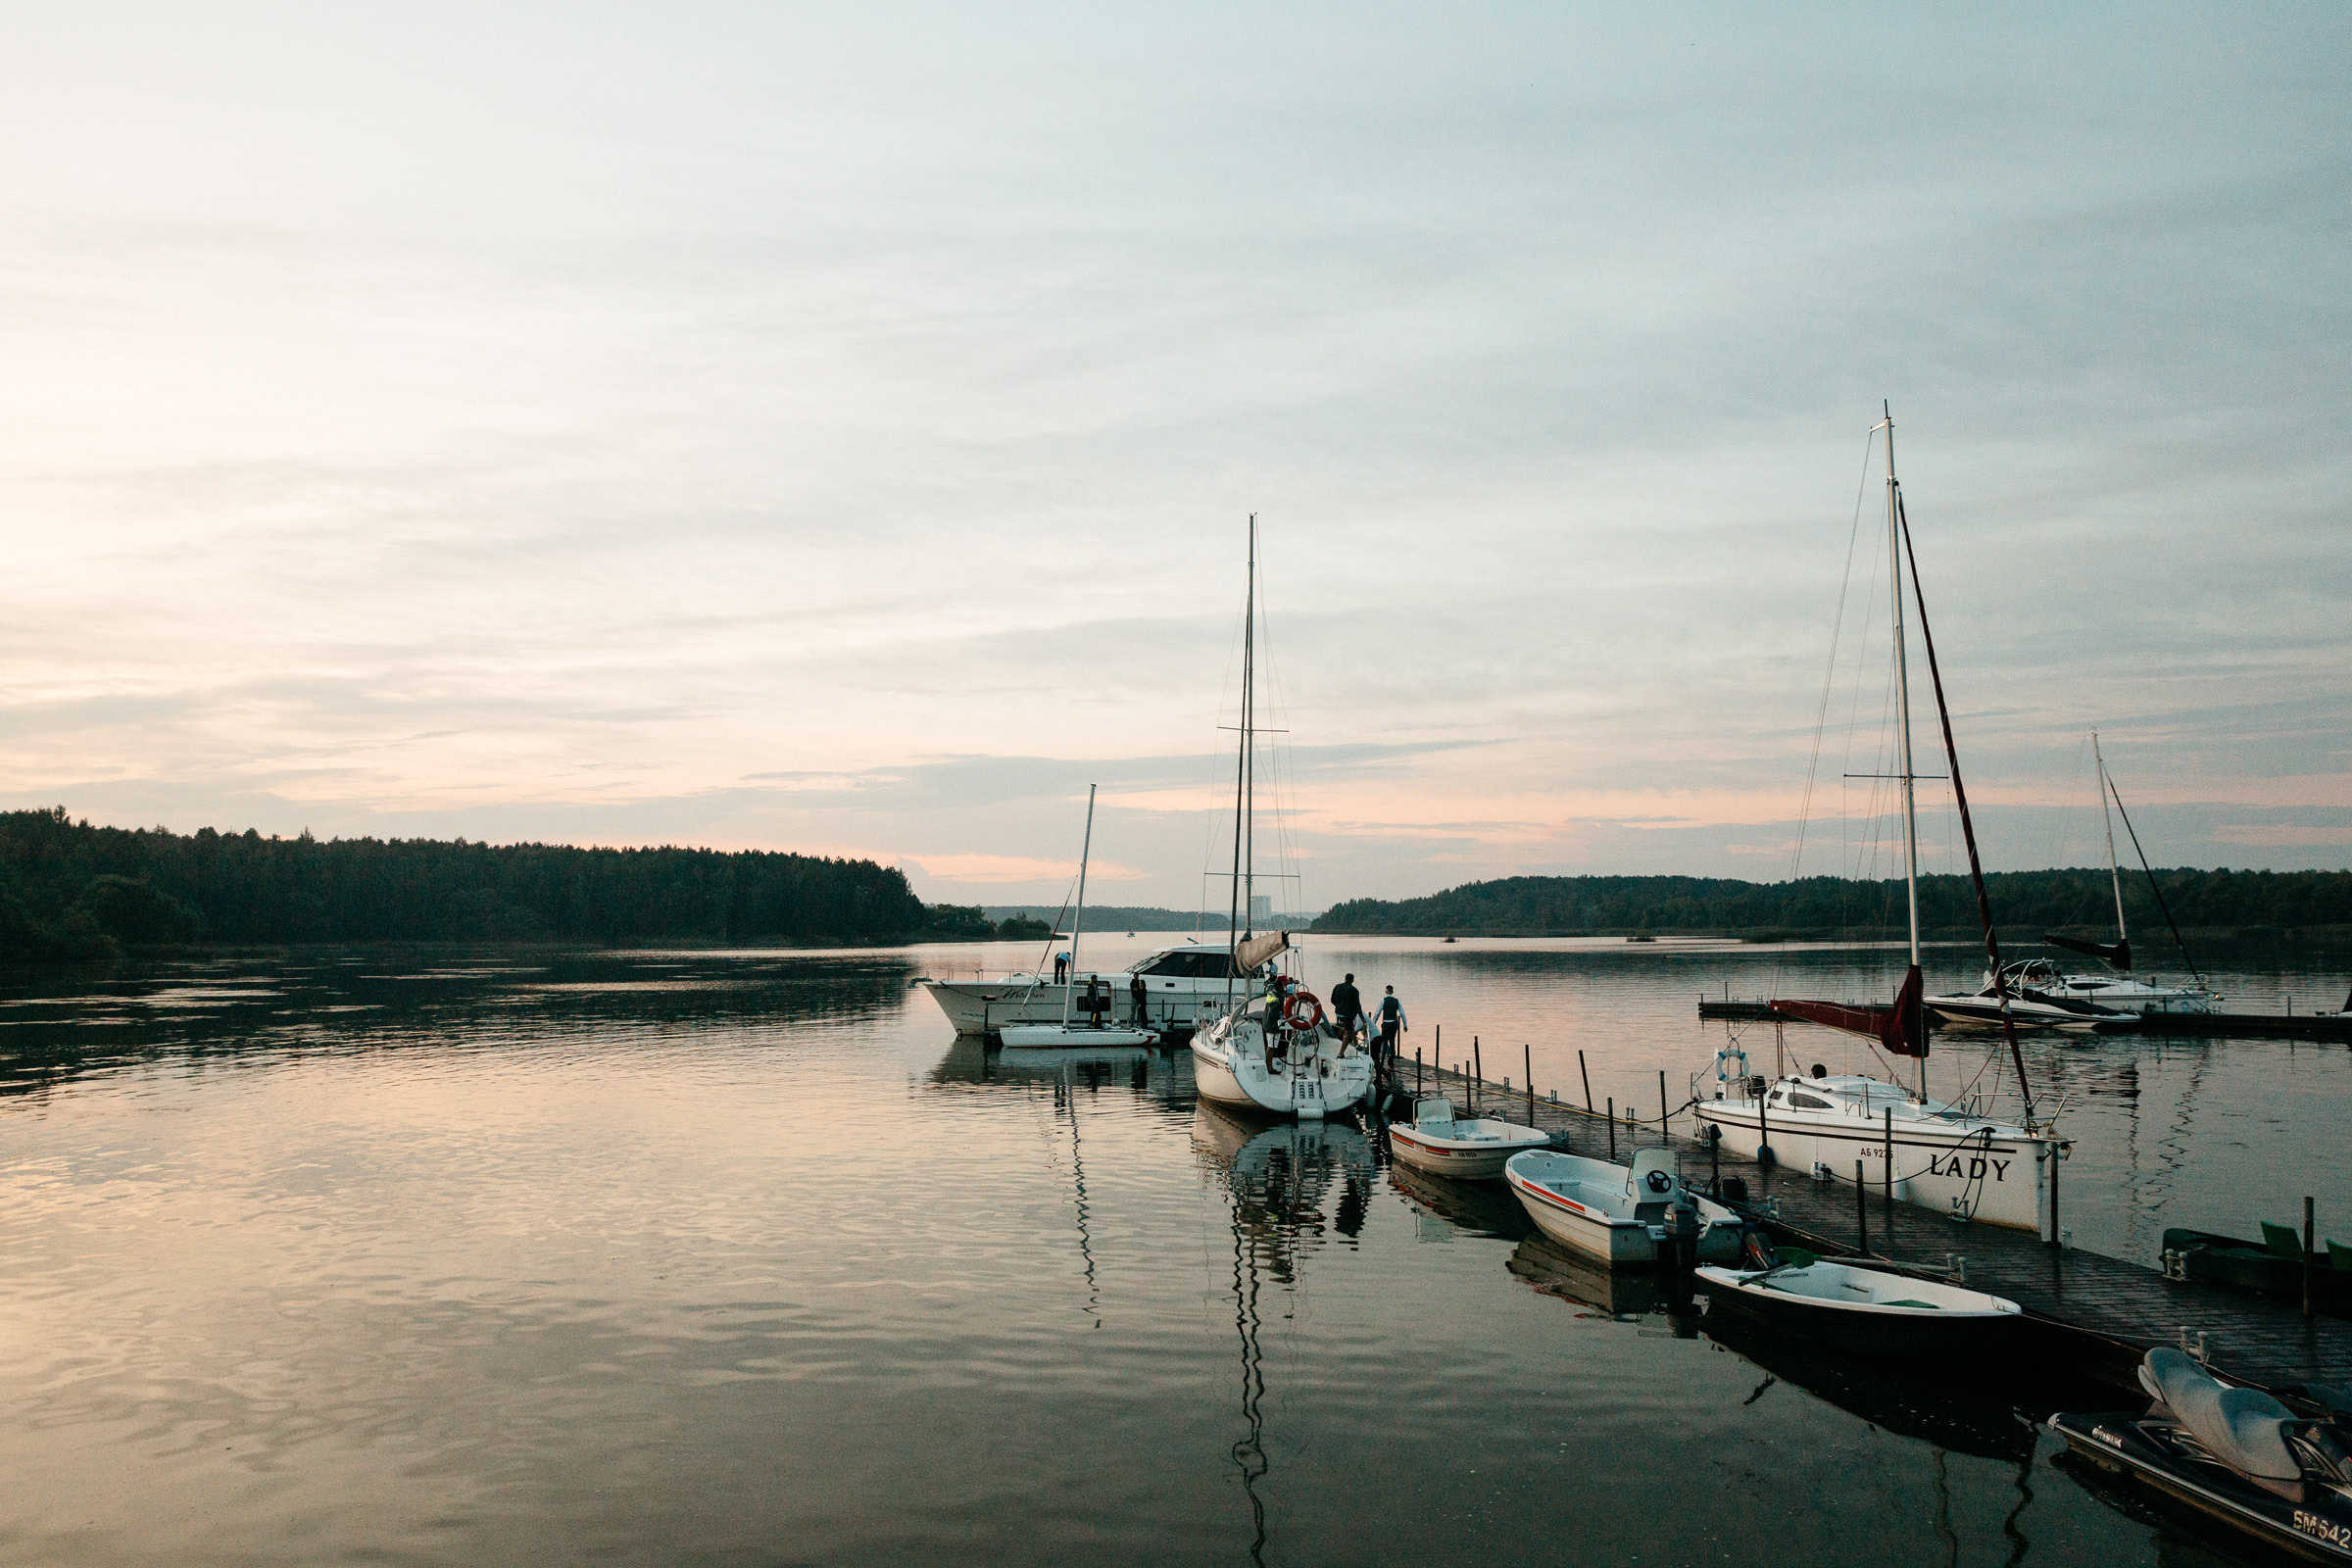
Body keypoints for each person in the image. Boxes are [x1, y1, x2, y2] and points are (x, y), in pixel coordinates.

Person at [1375, 985, 1406, 1087]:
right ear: (1392, 991)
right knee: (1392, 1040)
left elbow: (1378, 1012)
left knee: (1384, 1041)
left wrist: (1373, 1022)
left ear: (1386, 991)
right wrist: (1405, 1024)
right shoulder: (1397, 1001)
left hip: (1386, 1024)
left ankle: (1387, 1054)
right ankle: (1391, 1056)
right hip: (1394, 1023)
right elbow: (1402, 1013)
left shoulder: (1383, 1000)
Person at [1329, 973, 1363, 1046]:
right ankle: (1342, 1051)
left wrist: (1338, 1006)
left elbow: (1332, 1000)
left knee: (1350, 1027)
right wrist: (1362, 1018)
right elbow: (1357, 1005)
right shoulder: (1354, 990)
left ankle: (1354, 1043)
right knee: (1349, 1031)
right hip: (1348, 1015)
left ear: (1345, 979)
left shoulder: (1337, 987)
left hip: (1338, 1013)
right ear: (1353, 980)